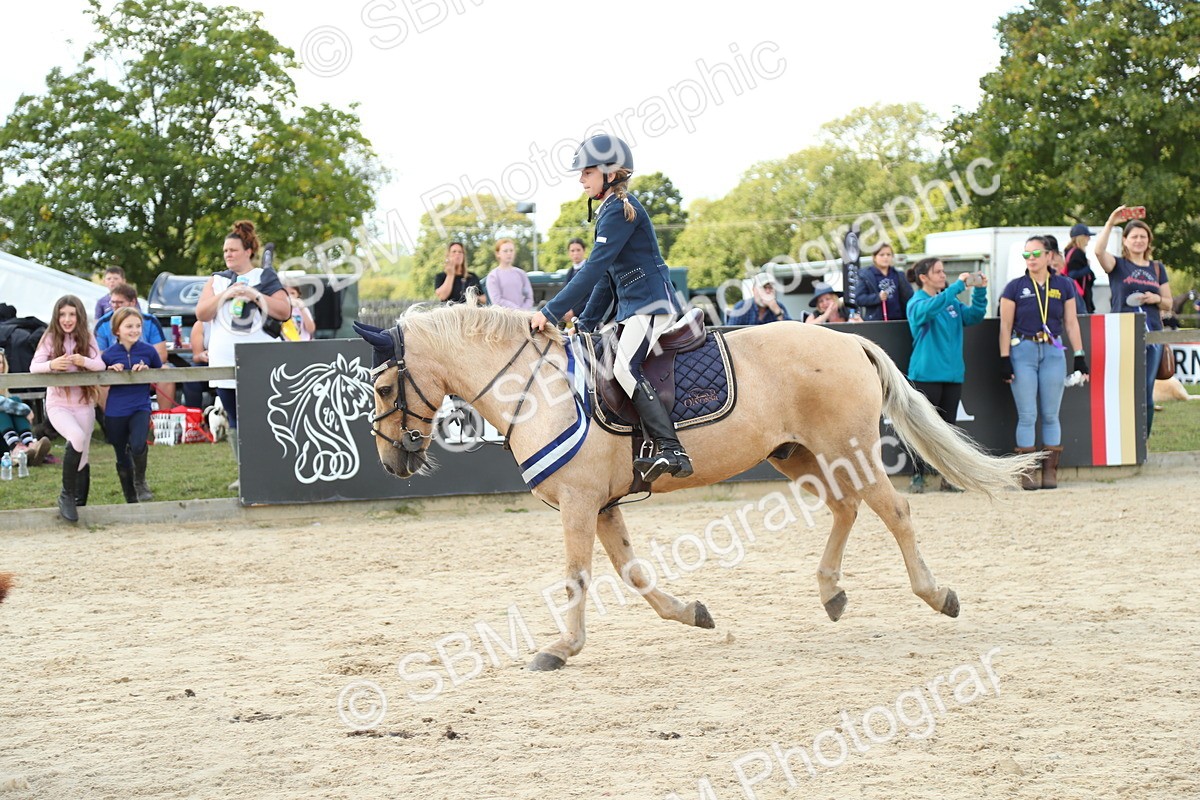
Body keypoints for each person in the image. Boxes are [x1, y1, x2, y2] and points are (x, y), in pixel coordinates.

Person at [530, 133, 691, 482]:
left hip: (651, 304)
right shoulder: (609, 210)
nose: (581, 179)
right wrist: (585, 322)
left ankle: (672, 449)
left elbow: (592, 269)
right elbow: (606, 278)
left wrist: (550, 312)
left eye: (587, 172)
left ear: (611, 173)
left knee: (624, 369)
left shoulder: (620, 209)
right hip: (634, 307)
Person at [194, 220, 291, 491]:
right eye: (225, 250)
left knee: (263, 417)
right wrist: (226, 294)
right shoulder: (217, 280)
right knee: (234, 420)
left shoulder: (265, 276)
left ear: (248, 251)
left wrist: (253, 295)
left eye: (233, 250)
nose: (228, 254)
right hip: (224, 360)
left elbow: (284, 311)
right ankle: (245, 474)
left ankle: (271, 471)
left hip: (259, 361)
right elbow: (202, 314)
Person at [999, 238, 1088, 490]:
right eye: (1026, 254)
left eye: (1036, 253)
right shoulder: (1014, 287)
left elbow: (1071, 322)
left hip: (1053, 350)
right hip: (1023, 350)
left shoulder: (1064, 285)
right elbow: (1005, 325)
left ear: (1050, 256)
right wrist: (1004, 358)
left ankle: (1050, 472)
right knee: (1027, 415)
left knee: (1051, 414)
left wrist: (1079, 355)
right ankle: (1027, 472)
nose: (1031, 258)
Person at [905, 258, 988, 493]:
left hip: (952, 376)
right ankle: (918, 475)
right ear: (923, 278)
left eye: (943, 271)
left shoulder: (950, 301)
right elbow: (928, 310)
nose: (943, 275)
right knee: (921, 428)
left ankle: (948, 477)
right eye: (938, 272)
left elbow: (973, 316)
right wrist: (957, 287)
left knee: (949, 429)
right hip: (926, 375)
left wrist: (980, 292)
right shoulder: (916, 302)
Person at [1093, 208, 1174, 436]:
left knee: (1146, 389)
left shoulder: (1157, 268)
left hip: (1152, 335)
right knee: (1123, 388)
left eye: (1143, 236)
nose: (1139, 240)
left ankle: (1142, 440)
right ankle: (1121, 438)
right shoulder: (1117, 265)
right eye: (1134, 236)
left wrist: (1156, 299)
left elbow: (1168, 302)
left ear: (1148, 241)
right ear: (1125, 241)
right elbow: (1098, 251)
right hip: (1122, 333)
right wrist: (1111, 222)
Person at [30, 295, 105, 522]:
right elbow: (34, 366)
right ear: (56, 316)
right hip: (58, 404)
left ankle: (79, 505)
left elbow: (100, 364)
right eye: (62, 314)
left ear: (79, 316)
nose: (67, 319)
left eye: (72, 314)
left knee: (83, 454)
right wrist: (52, 364)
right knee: (76, 437)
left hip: (84, 404)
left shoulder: (87, 337)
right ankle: (66, 495)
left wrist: (83, 361)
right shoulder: (50, 337)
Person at [101, 306, 162, 502]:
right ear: (117, 330)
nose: (135, 330)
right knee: (121, 453)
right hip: (115, 410)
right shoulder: (108, 355)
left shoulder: (149, 351)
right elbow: (100, 381)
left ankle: (140, 481)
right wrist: (109, 371)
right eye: (129, 326)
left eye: (138, 326)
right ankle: (129, 494)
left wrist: (147, 370)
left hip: (140, 406)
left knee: (137, 444)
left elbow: (160, 373)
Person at [94, 283, 174, 409]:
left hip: (146, 369)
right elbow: (100, 356)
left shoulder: (150, 321)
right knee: (100, 377)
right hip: (116, 371)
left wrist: (145, 365)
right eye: (112, 302)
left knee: (166, 371)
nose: (115, 306)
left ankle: (164, 417)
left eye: (120, 302)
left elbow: (162, 355)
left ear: (133, 302)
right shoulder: (103, 323)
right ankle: (109, 416)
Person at [0, 348, 52, 466]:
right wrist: (26, 410)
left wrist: (20, 408)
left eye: (0, 363)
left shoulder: (4, 389)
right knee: (7, 407)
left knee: (14, 401)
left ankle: (28, 445)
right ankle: (16, 447)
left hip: (5, 438)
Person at [855, 243, 914, 321]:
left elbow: (910, 297)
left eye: (888, 254)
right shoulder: (865, 275)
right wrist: (878, 297)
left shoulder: (899, 275)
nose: (885, 257)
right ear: (874, 257)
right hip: (876, 321)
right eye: (882, 255)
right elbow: (859, 299)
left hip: (898, 320)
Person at [485, 238, 533, 309]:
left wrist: (523, 310)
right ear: (498, 253)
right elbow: (497, 300)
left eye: (511, 250)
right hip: (504, 315)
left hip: (523, 315)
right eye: (505, 251)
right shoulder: (493, 276)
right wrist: (516, 310)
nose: (509, 253)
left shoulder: (521, 274)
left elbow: (529, 297)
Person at [725, 273, 791, 325]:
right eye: (764, 288)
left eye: (770, 288)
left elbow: (791, 330)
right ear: (754, 290)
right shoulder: (741, 307)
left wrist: (777, 311)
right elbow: (729, 333)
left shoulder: (779, 306)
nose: (768, 291)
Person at [1065, 223, 1097, 314]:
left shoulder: (1069, 251)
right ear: (1081, 237)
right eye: (1087, 236)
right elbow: (1072, 274)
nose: (1089, 239)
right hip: (1081, 297)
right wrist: (1087, 268)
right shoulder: (1077, 253)